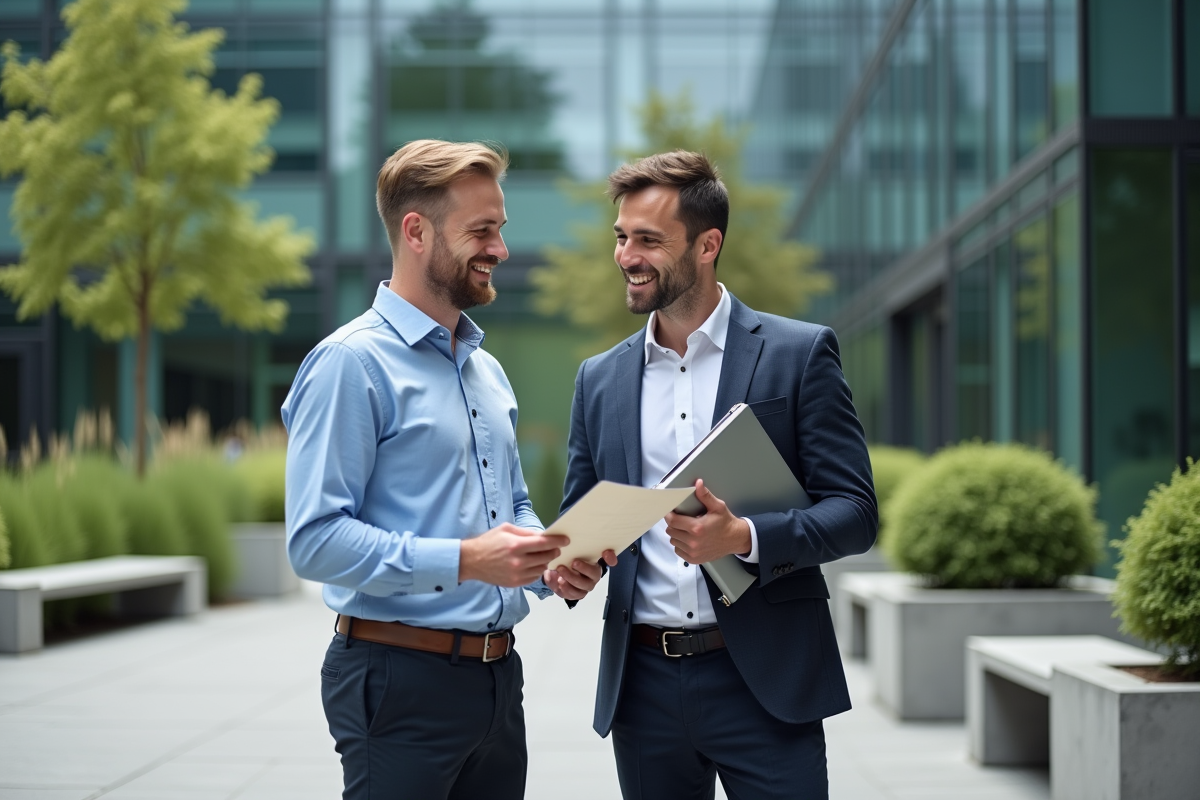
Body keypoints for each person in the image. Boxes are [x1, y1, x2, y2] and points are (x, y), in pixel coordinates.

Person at [281, 139, 603, 800]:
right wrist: (464, 560)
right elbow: (313, 541)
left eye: (500, 230)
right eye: (481, 231)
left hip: (495, 679)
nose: (500, 249)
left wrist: (547, 561)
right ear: (417, 231)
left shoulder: (486, 371)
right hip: (397, 679)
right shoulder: (351, 365)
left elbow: (510, 504)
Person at [555, 150, 878, 800]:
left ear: (708, 244)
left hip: (765, 681)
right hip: (641, 687)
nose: (626, 256)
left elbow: (855, 513)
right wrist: (569, 566)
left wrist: (745, 537)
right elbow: (582, 521)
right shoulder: (598, 380)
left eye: (648, 240)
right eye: (621, 237)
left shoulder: (799, 353)